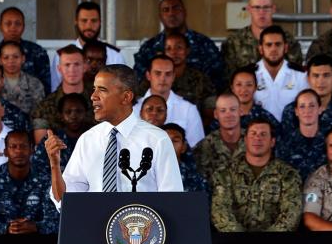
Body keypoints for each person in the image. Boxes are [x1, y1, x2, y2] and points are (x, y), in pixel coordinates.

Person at [46, 64, 183, 204]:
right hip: (96, 224)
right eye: (94, 89)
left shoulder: (157, 140)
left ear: (126, 97)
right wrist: (55, 165)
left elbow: (172, 201)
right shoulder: (88, 139)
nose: (93, 96)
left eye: (102, 90)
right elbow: (64, 201)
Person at [211, 119, 301, 232]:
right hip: (234, 243)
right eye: (253, 134)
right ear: (245, 140)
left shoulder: (288, 174)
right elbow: (220, 211)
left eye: (263, 134)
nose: (257, 138)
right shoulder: (226, 173)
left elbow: (291, 215)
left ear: (272, 141)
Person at [133, 0, 225, 91]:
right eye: (166, 10)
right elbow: (139, 83)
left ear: (185, 12)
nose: (171, 13)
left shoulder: (204, 45)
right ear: (160, 16)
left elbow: (218, 81)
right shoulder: (149, 48)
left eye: (176, 8)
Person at [0, 129, 58, 234]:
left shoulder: (45, 179)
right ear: (5, 152)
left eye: (24, 146)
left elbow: (56, 221)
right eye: (13, 147)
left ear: (32, 150)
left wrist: (35, 227)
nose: (19, 151)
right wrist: (8, 228)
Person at [222, 0, 303, 76]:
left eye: (266, 7)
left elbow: (297, 75)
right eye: (257, 7)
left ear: (273, 9)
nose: (261, 12)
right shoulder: (234, 42)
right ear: (249, 9)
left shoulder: (288, 40)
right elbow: (229, 79)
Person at [281, 54, 332, 138]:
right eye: (316, 76)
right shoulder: (291, 112)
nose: (321, 81)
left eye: (326, 75)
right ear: (308, 79)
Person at [50, 0, 123, 90]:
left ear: (100, 22)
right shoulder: (62, 55)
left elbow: (121, 90)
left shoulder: (114, 55)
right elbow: (55, 89)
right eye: (84, 21)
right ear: (76, 22)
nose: (89, 26)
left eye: (94, 21)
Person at [136, 55, 204, 148]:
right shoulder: (133, 109)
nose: (163, 78)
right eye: (158, 73)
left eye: (168, 74)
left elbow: (197, 147)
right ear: (148, 75)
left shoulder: (188, 109)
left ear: (173, 76)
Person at [0, 6, 51, 94]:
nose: (13, 28)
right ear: (0, 27)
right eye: (8, 23)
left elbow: (46, 87)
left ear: (24, 27)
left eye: (18, 24)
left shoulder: (37, 53)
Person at [32, 45, 93, 143]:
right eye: (67, 65)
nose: (72, 70)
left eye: (77, 64)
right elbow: (41, 147)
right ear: (59, 69)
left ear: (85, 67)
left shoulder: (98, 101)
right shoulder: (44, 107)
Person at [254, 25, 307, 122]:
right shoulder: (250, 75)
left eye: (278, 44)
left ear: (285, 48)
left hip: (290, 134)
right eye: (269, 45)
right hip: (260, 134)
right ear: (261, 49)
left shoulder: (300, 75)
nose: (273, 49)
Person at [162, 31, 216, 121]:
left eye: (179, 48)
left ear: (187, 51)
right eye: (168, 48)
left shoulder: (200, 78)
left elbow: (210, 111)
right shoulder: (155, 78)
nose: (174, 52)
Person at [32, 93, 90, 175]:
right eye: (68, 112)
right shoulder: (51, 140)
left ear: (86, 113)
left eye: (79, 111)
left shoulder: (95, 138)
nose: (73, 116)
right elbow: (37, 170)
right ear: (61, 116)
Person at [276, 89, 327, 181]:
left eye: (312, 106)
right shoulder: (285, 142)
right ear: (296, 111)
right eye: (302, 106)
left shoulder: (330, 141)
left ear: (320, 109)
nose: (307, 110)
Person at [194, 92, 245, 183]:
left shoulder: (255, 141)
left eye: (233, 109)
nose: (228, 115)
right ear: (216, 114)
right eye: (223, 111)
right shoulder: (203, 147)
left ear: (240, 111)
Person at [224, 65, 278, 131]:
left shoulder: (266, 118)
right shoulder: (224, 116)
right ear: (232, 88)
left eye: (249, 85)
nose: (244, 90)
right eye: (239, 84)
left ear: (255, 88)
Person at [0, 40, 45, 114]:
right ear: (0, 61)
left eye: (16, 57)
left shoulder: (34, 83)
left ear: (23, 59)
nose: (11, 61)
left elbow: (39, 115)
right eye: (6, 57)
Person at [163, 123, 209, 194]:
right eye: (165, 141)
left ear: (184, 147)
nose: (170, 145)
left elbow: (202, 203)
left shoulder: (196, 179)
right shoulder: (146, 175)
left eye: (175, 141)